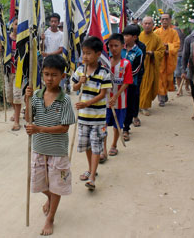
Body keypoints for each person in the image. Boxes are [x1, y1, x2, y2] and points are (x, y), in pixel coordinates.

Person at [24, 54, 76, 236]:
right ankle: (51, 199)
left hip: (57, 151)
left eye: (54, 75)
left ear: (63, 76)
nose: (49, 79)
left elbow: (64, 128)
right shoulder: (37, 96)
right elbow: (28, 119)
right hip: (39, 148)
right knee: (39, 184)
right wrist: (26, 100)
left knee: (57, 186)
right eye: (46, 74)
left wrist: (40, 129)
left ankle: (50, 218)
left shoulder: (65, 100)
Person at [71, 37, 111, 190]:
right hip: (83, 118)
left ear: (98, 54)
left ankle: (92, 176)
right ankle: (90, 168)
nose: (85, 56)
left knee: (96, 146)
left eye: (89, 53)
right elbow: (74, 88)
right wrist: (80, 82)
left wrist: (86, 103)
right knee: (87, 145)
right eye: (84, 53)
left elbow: (103, 94)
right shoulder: (80, 69)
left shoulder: (104, 73)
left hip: (98, 118)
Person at [103, 33, 133, 158]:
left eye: (116, 45)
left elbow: (127, 82)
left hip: (120, 101)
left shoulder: (126, 64)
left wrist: (116, 96)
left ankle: (114, 145)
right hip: (104, 101)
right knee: (102, 125)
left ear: (123, 46)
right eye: (111, 46)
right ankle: (103, 149)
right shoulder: (105, 63)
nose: (113, 48)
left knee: (117, 125)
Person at [139, 17, 165, 116]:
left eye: (149, 23)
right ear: (142, 24)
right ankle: (138, 106)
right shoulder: (138, 37)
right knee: (139, 86)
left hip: (150, 65)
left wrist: (153, 53)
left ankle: (145, 106)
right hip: (139, 65)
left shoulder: (156, 38)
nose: (147, 25)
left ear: (153, 25)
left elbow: (161, 51)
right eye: (145, 23)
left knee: (148, 86)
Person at [121, 25, 144, 138]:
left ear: (134, 37)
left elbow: (136, 69)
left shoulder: (138, 52)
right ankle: (118, 125)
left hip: (131, 84)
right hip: (118, 83)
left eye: (127, 35)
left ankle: (126, 128)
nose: (124, 37)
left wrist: (124, 75)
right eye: (124, 35)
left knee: (129, 105)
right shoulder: (120, 48)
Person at [154, 13, 180, 107]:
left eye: (166, 19)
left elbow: (176, 44)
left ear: (170, 20)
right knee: (160, 78)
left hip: (169, 59)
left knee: (167, 78)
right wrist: (160, 50)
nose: (164, 21)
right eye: (163, 19)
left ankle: (164, 95)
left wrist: (168, 47)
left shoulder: (174, 32)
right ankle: (161, 98)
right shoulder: (156, 32)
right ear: (160, 20)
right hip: (160, 59)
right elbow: (154, 44)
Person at [1, 18, 22, 131]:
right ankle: (16, 112)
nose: (17, 26)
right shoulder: (6, 39)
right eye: (15, 24)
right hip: (8, 72)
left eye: (19, 24)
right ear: (12, 26)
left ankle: (17, 122)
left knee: (17, 96)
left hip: (19, 73)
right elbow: (0, 52)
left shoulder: (23, 39)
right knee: (10, 97)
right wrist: (0, 49)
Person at [173, 22, 186, 94]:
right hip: (177, 54)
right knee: (177, 73)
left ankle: (186, 86)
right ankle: (179, 89)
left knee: (186, 72)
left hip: (185, 53)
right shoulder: (174, 30)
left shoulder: (188, 29)